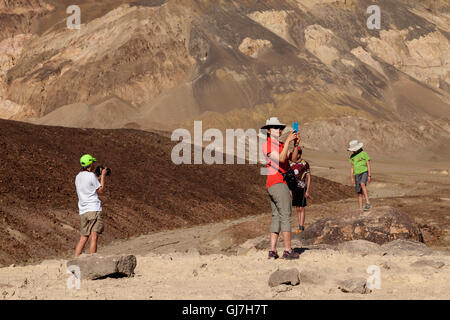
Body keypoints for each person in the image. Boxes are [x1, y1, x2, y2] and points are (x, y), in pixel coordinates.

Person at [262, 117, 300, 260]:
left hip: (276, 184)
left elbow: (294, 159)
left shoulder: (280, 144)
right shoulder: (267, 145)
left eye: (279, 128)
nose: (278, 130)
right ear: (268, 130)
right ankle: (287, 250)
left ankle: (272, 251)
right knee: (285, 215)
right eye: (274, 128)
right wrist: (288, 143)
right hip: (277, 183)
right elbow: (282, 159)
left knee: (277, 216)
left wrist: (295, 145)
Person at [74, 154, 108, 256]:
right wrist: (102, 176)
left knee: (83, 238)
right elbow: (100, 190)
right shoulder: (91, 176)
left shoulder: (78, 177)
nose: (94, 164)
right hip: (93, 209)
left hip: (83, 211)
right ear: (90, 163)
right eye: (92, 162)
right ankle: (92, 260)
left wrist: (96, 177)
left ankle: (74, 262)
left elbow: (88, 184)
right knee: (94, 236)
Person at [291, 147, 311, 234]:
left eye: (296, 153)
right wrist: (290, 190)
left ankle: (301, 227)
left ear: (299, 154)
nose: (294, 155)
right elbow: (290, 178)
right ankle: (299, 226)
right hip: (294, 188)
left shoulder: (304, 163)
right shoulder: (291, 164)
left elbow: (308, 177)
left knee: (302, 207)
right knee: (297, 208)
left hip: (302, 187)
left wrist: (307, 190)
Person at [348, 140, 372, 211]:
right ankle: (360, 209)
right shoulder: (352, 156)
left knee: (362, 184)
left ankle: (368, 202)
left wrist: (369, 175)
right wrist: (352, 177)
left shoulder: (363, 153)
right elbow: (352, 167)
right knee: (359, 193)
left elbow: (368, 164)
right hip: (356, 174)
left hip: (364, 172)